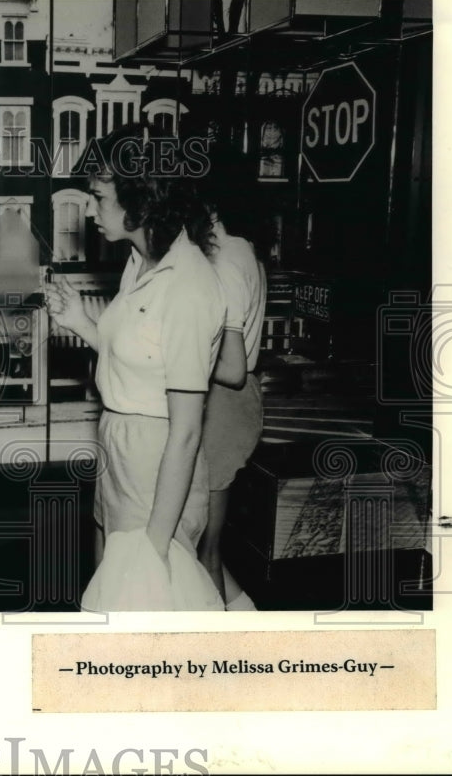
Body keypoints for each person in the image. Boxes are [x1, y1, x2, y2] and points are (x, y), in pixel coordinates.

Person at [45, 124, 225, 611]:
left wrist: (157, 543)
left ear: (141, 200)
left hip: (156, 461)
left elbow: (186, 431)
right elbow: (139, 359)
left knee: (145, 604)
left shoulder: (187, 286)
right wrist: (81, 321)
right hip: (118, 445)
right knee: (109, 595)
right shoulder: (140, 263)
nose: (89, 208)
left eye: (99, 196)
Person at [196, 148, 268, 610]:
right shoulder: (246, 252)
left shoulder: (224, 260)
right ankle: (249, 619)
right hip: (235, 405)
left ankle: (222, 656)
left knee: (204, 549)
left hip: (223, 403)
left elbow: (230, 364)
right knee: (209, 547)